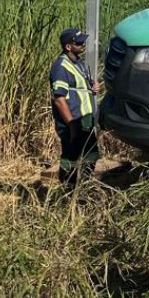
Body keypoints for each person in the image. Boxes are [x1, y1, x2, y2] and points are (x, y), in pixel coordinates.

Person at [50, 28, 105, 187]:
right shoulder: (61, 66)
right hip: (73, 121)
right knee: (71, 157)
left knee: (91, 154)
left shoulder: (79, 64)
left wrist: (93, 88)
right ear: (68, 47)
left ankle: (84, 185)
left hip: (85, 120)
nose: (83, 45)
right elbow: (59, 99)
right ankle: (68, 190)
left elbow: (82, 87)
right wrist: (71, 124)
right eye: (79, 43)